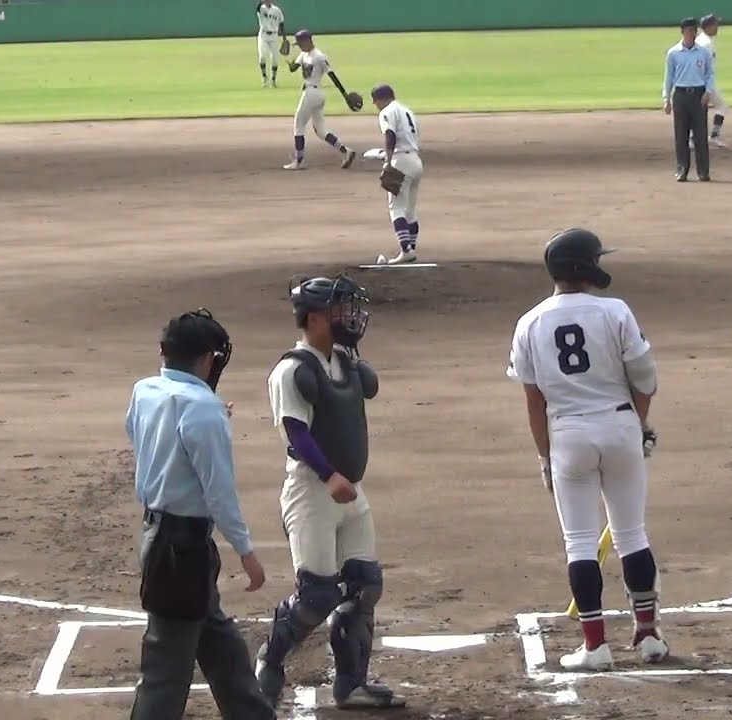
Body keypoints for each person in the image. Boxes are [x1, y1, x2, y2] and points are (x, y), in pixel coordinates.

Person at [505, 228, 670, 671]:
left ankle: (595, 646)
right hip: (619, 425)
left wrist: (544, 456)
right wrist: (637, 424)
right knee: (631, 534)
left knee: (579, 542)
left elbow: (534, 403)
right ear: (586, 266)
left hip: (567, 434)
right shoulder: (615, 312)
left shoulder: (531, 322)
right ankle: (649, 634)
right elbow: (646, 380)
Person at [254, 275, 405, 710]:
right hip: (312, 493)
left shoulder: (343, 359)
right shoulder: (291, 370)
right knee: (318, 595)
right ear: (315, 318)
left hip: (351, 492)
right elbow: (296, 434)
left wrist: (345, 481)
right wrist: (328, 476)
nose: (349, 317)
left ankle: (351, 684)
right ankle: (270, 660)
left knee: (364, 585)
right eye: (340, 310)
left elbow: (366, 389)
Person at [125, 308, 275, 720]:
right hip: (182, 550)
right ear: (209, 359)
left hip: (158, 537)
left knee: (220, 645)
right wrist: (246, 552)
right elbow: (219, 492)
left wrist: (207, 420)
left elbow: (140, 434)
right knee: (166, 666)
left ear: (163, 352)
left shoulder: (145, 390)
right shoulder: (203, 408)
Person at [283, 29, 359, 171]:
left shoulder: (319, 56)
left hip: (312, 93)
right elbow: (294, 68)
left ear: (308, 41)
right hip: (315, 94)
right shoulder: (303, 54)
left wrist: (344, 94)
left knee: (298, 125)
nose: (299, 46)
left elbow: (332, 75)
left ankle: (298, 161)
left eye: (300, 43)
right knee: (321, 131)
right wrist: (288, 60)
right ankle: (346, 151)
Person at [370, 84, 424, 266]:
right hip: (416, 161)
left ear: (381, 99)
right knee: (410, 209)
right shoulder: (408, 111)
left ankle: (406, 250)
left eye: (375, 101)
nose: (375, 105)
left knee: (395, 207)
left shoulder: (387, 112)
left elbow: (390, 135)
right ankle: (411, 248)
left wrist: (388, 161)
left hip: (400, 162)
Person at [662, 17, 717, 182]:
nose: (691, 34)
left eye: (693, 30)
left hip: (699, 95)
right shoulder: (673, 53)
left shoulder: (703, 52)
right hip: (680, 95)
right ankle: (682, 170)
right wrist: (666, 98)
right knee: (681, 136)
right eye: (688, 30)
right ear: (682, 32)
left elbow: (710, 74)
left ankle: (703, 171)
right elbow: (668, 77)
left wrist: (708, 91)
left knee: (700, 136)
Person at [696, 13, 729, 147]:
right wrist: (707, 87)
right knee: (722, 107)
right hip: (705, 82)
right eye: (715, 24)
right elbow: (703, 66)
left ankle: (694, 139)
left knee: (698, 111)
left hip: (698, 81)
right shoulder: (706, 44)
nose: (717, 27)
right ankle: (713, 137)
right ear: (708, 27)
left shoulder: (700, 39)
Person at [255, 0, 287, 88]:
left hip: (274, 36)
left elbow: (281, 23)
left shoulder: (277, 10)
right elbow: (257, 8)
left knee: (275, 60)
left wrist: (284, 37)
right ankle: (264, 77)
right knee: (262, 57)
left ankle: (273, 80)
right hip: (263, 36)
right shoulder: (261, 8)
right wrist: (261, 1)